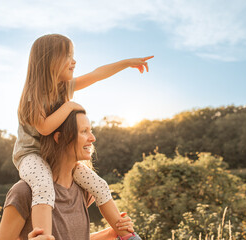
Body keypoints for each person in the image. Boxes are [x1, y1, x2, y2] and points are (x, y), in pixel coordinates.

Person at [13, 33, 153, 238]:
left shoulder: (64, 88)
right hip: (31, 156)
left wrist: (127, 63)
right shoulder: (34, 96)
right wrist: (70, 105)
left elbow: (96, 74)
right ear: (50, 60)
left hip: (56, 157)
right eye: (68, 56)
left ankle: (125, 233)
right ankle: (44, 235)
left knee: (99, 185)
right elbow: (44, 128)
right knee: (43, 184)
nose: (74, 61)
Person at [0, 110, 140, 240]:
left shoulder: (85, 189)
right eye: (84, 131)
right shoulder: (23, 192)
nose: (92, 138)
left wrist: (109, 233)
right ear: (59, 138)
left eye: (91, 131)